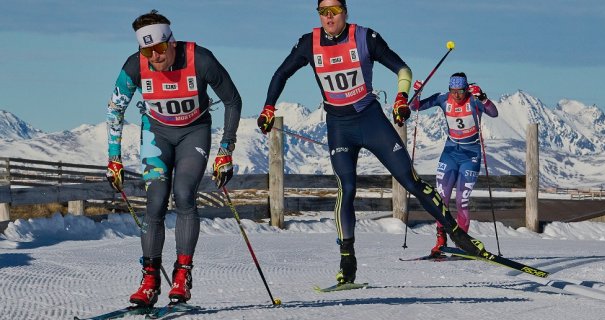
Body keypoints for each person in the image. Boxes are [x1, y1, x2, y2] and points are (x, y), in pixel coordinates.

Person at [256, 0, 487, 285]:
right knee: (347, 188)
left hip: (371, 121)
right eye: (323, 12)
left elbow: (403, 70)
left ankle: (459, 236)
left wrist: (402, 98)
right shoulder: (309, 43)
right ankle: (347, 261)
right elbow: (281, 73)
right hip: (339, 127)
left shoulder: (364, 37)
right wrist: (268, 107)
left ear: (345, 12)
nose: (329, 17)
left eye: (334, 11)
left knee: (411, 180)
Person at [104, 10, 242, 306]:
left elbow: (233, 100)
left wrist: (226, 150)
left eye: (159, 49)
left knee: (183, 196)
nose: (154, 56)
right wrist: (113, 158)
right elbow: (115, 109)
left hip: (194, 132)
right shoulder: (134, 66)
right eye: (147, 50)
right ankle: (150, 279)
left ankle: (182, 274)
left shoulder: (200, 59)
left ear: (172, 42)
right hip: (157, 135)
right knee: (154, 202)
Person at [411, 73, 498, 257]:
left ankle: (462, 245)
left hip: (470, 154)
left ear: (466, 89)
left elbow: (493, 113)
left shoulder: (473, 100)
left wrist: (483, 97)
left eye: (460, 91)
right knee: (440, 199)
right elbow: (414, 106)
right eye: (453, 91)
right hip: (450, 153)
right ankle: (440, 241)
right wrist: (417, 93)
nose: (457, 95)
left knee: (462, 201)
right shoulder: (443, 99)